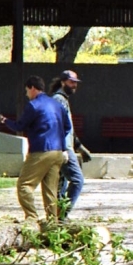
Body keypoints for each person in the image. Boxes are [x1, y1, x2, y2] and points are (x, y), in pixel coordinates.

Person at [0, 75, 71, 225]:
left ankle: (31, 218)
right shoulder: (56, 104)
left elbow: (19, 126)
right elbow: (67, 127)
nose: (26, 94)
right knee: (50, 190)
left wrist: (3, 120)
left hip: (41, 151)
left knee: (24, 185)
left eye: (27, 90)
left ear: (33, 88)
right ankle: (52, 223)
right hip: (58, 152)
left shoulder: (33, 105)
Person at [48, 70, 91, 218]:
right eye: (71, 82)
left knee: (61, 184)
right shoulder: (59, 100)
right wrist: (63, 149)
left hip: (64, 146)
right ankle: (62, 216)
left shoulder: (62, 99)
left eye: (75, 83)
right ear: (62, 82)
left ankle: (56, 219)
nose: (74, 85)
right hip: (63, 148)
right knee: (77, 181)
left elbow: (68, 128)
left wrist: (79, 147)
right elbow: (56, 126)